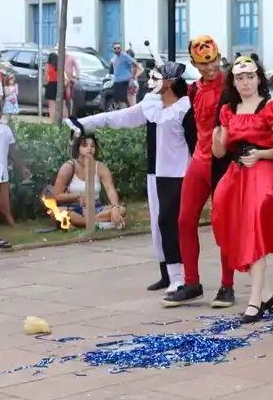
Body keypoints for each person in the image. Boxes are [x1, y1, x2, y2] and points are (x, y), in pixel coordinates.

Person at [73, 63, 192, 293]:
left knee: (170, 224)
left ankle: (180, 277)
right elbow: (121, 117)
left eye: (156, 78)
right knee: (158, 225)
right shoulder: (151, 104)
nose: (150, 82)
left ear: (169, 82)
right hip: (154, 173)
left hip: (179, 174)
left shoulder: (185, 109)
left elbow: (195, 144)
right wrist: (84, 122)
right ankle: (166, 274)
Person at [212, 57, 273, 324]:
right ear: (233, 82)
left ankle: (254, 301)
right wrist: (215, 139)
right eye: (240, 78)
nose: (245, 82)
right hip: (237, 176)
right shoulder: (228, 110)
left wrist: (260, 155)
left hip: (264, 175)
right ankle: (267, 296)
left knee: (254, 231)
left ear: (259, 78)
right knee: (234, 231)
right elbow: (221, 151)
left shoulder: (271, 108)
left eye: (250, 77)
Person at [163, 35, 233, 308]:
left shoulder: (231, 83)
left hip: (222, 159)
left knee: (222, 223)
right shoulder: (193, 90)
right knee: (184, 220)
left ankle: (227, 285)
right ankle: (192, 283)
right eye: (204, 63)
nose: (210, 67)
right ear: (194, 63)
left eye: (213, 60)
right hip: (199, 159)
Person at [48, 135, 127, 229]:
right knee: (56, 212)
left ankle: (86, 223)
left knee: (121, 210)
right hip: (74, 208)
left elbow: (110, 189)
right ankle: (100, 224)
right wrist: (77, 195)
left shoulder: (100, 167)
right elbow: (56, 196)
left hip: (96, 207)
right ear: (78, 148)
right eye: (85, 145)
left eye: (92, 146)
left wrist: (115, 207)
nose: (89, 148)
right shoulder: (68, 167)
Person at [0, 102, 29, 248]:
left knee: (1, 205)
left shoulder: (6, 130)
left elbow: (12, 152)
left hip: (2, 174)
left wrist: (22, 168)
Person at [110, 43, 139, 108]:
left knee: (130, 102)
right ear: (113, 49)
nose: (117, 49)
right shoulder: (114, 59)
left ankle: (131, 114)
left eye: (118, 48)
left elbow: (136, 65)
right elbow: (113, 71)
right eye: (115, 48)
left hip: (127, 82)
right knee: (121, 101)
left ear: (121, 48)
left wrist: (133, 77)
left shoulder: (124, 56)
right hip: (118, 83)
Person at [44, 52, 60, 122]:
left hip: (51, 85)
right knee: (58, 105)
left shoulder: (47, 66)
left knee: (51, 105)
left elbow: (45, 77)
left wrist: (45, 84)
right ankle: (58, 121)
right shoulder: (60, 65)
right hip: (59, 85)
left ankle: (52, 121)